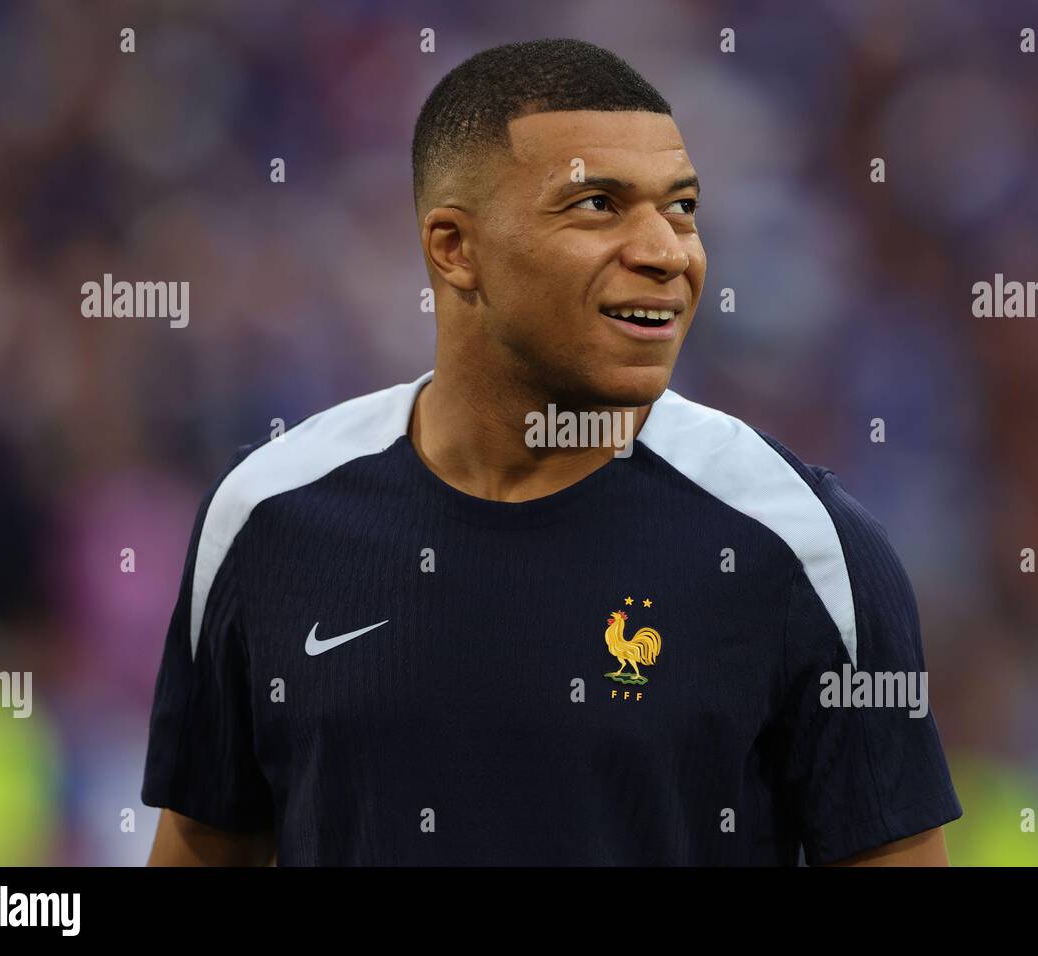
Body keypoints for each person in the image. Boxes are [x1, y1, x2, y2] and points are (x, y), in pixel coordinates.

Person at [144, 37, 961, 866]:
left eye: (680, 207)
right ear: (454, 249)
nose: (667, 252)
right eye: (599, 205)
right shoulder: (266, 517)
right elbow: (204, 841)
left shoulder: (804, 547)